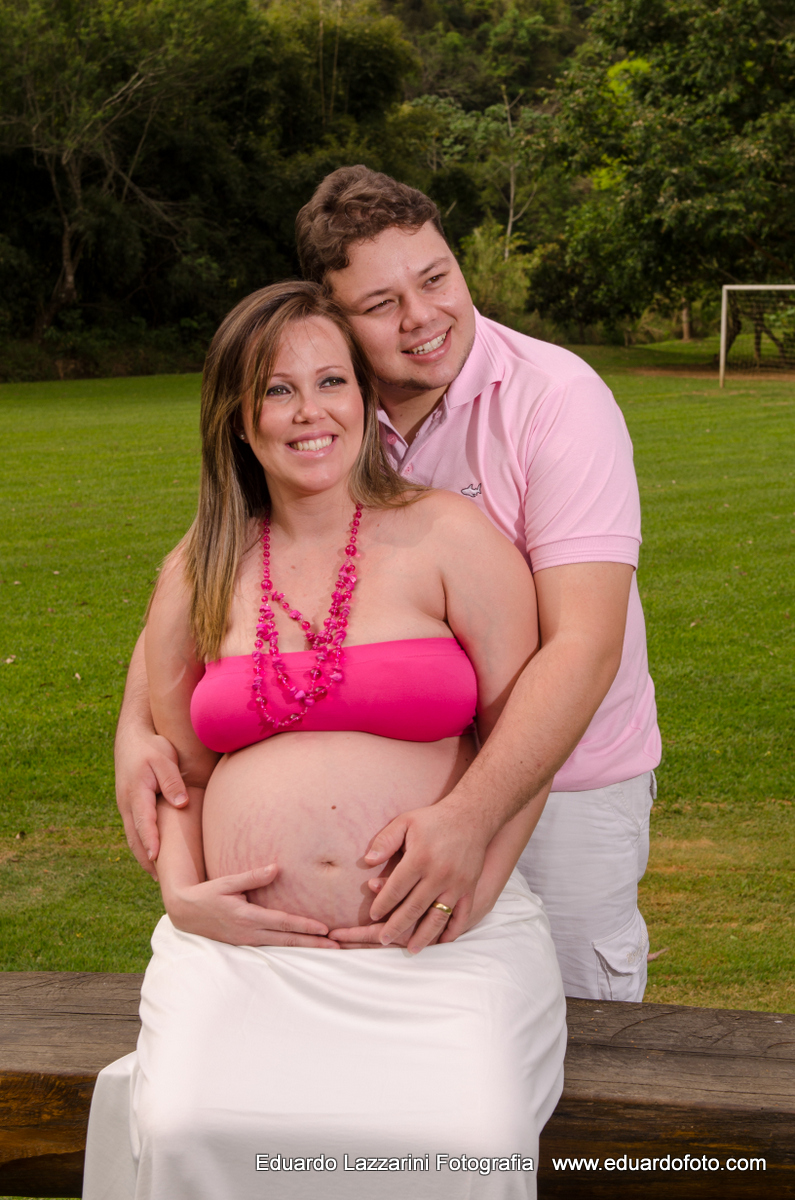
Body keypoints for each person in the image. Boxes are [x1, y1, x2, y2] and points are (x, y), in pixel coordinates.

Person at [115, 166, 660, 1001]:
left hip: (568, 775)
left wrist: (471, 820)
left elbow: (583, 646)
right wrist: (133, 729)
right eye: (379, 305)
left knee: (583, 1037)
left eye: (436, 277)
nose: (423, 317)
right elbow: (203, 581)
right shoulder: (323, 406)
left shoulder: (555, 401)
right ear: (335, 326)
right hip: (301, 927)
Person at [82, 281, 566, 1200]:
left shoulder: (447, 537)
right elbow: (180, 769)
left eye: (332, 381)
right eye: (276, 389)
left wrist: (479, 879)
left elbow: (524, 742)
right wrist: (185, 896)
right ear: (236, 417)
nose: (311, 412)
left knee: (469, 1134)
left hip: (435, 944)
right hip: (244, 954)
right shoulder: (201, 567)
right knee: (189, 1124)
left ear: (365, 397)